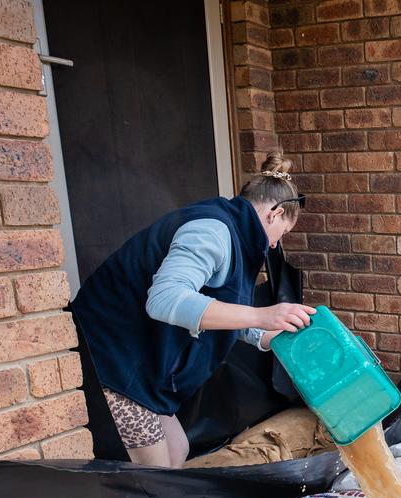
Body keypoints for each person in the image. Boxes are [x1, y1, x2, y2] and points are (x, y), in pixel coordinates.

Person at [70, 152, 317, 467]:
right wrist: (261, 314)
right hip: (111, 361)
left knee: (178, 449)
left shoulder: (238, 236)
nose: (274, 246)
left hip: (144, 362)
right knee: (158, 472)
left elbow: (217, 310)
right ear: (275, 212)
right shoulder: (211, 232)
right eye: (282, 234)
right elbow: (165, 299)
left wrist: (269, 336)